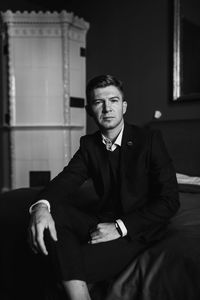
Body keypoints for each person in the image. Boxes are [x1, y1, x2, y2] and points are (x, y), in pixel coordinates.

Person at [28, 74, 179, 300]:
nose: (107, 108)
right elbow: (67, 180)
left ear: (124, 106)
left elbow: (169, 201)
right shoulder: (89, 145)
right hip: (101, 218)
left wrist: (118, 227)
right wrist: (39, 207)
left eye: (113, 101)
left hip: (137, 229)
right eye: (99, 102)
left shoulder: (149, 139)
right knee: (53, 210)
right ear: (90, 110)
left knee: (60, 264)